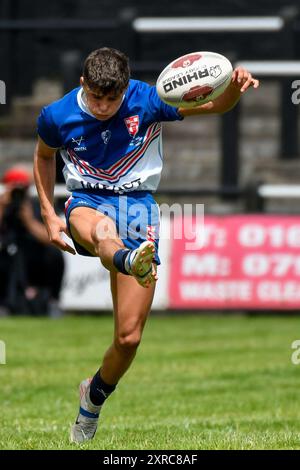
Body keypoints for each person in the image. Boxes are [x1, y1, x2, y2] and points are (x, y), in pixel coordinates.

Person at [33, 47, 259, 442]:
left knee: (129, 338)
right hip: (87, 201)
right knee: (103, 232)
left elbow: (217, 105)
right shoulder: (56, 115)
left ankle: (93, 399)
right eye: (97, 97)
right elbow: (43, 155)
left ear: (125, 88)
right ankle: (126, 258)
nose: (104, 107)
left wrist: (235, 90)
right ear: (83, 84)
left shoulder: (149, 99)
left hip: (139, 208)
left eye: (112, 99)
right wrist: (50, 214)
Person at [0, 166, 65, 317]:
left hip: (35, 255)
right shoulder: (3, 205)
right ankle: (3, 303)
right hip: (8, 256)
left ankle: (52, 302)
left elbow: (53, 238)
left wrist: (28, 220)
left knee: (55, 254)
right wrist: (2, 207)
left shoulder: (38, 206)